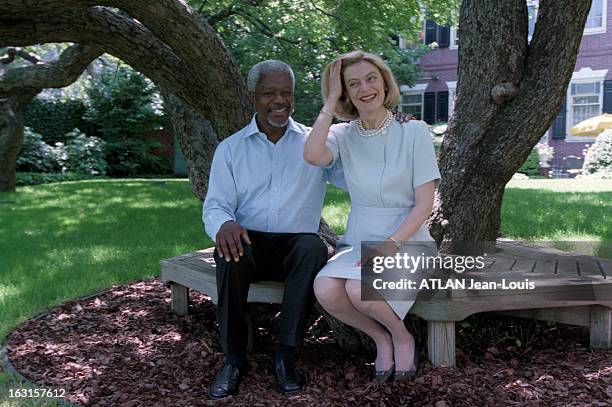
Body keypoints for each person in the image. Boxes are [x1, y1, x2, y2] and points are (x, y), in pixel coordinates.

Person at [202, 59, 413, 399]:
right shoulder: (231, 149)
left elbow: (359, 173)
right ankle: (234, 359)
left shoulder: (314, 143)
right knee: (229, 252)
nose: (279, 101)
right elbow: (216, 203)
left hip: (296, 246)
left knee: (312, 248)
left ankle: (286, 356)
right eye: (270, 93)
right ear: (253, 97)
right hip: (249, 242)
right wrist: (223, 222)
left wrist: (391, 127)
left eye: (286, 93)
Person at [303, 51, 441, 383]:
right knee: (324, 288)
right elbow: (311, 154)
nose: (365, 88)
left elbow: (424, 205)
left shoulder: (414, 131)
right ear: (346, 94)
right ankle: (380, 338)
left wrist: (388, 248)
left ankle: (401, 335)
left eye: (371, 79)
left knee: (357, 287)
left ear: (384, 82)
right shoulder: (342, 135)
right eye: (353, 84)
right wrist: (329, 101)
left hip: (408, 240)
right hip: (359, 239)